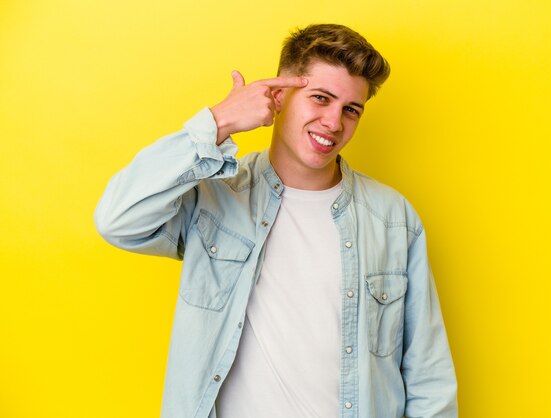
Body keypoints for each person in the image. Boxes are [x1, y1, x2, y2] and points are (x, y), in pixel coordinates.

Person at [95, 23, 457, 418]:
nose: (334, 123)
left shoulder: (392, 219)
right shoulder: (216, 197)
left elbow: (427, 374)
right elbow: (118, 220)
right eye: (320, 98)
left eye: (351, 110)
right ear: (279, 95)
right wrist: (217, 123)